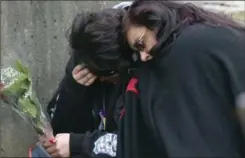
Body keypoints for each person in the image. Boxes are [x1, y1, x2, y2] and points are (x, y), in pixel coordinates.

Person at [116, 1, 245, 158]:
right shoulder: (217, 31)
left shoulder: (180, 54)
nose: (143, 57)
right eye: (137, 52)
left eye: (141, 44)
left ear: (156, 22)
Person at [40, 8, 135, 158]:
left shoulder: (140, 71)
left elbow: (138, 145)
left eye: (104, 74)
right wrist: (73, 90)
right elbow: (59, 128)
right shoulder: (85, 58)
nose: (100, 79)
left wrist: (78, 144)